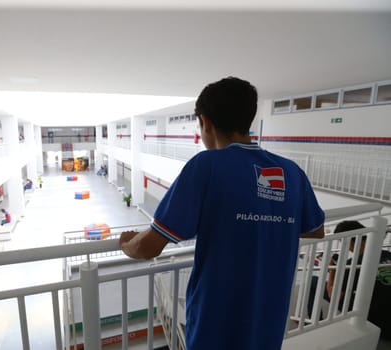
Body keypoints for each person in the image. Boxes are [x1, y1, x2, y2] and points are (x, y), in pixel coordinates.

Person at [119, 77, 325, 350]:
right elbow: (315, 230)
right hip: (269, 320)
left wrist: (126, 243)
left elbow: (149, 247)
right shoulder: (292, 172)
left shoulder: (206, 165)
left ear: (205, 122)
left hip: (215, 324)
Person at [308, 220, 391, 317]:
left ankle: (315, 320)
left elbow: (334, 296)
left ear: (348, 240)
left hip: (367, 310)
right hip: (386, 307)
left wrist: (332, 269)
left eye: (342, 242)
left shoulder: (353, 264)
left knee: (312, 281)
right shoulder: (388, 255)